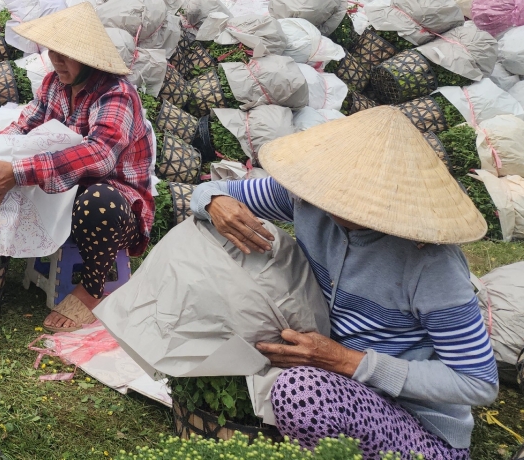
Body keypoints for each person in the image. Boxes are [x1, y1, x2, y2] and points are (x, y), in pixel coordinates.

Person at [191, 106, 497, 460]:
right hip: (336, 383)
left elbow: (478, 382)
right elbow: (214, 191)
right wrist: (215, 203)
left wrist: (348, 361)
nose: (326, 201)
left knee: (300, 391)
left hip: (417, 426)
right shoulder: (308, 196)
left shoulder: (431, 265)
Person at [0, 1, 154, 332]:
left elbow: (100, 155)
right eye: (53, 51)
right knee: (0, 171)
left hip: (114, 205)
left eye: (66, 54)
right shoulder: (54, 84)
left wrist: (20, 171)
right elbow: (23, 128)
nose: (56, 60)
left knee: (98, 201)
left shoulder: (116, 94)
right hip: (66, 192)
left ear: (90, 59)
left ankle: (92, 287)